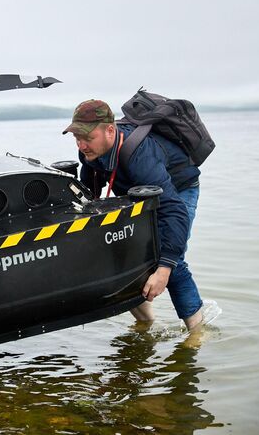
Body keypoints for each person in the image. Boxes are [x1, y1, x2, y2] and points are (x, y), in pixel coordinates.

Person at [63, 99, 219, 330]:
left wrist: (164, 268)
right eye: (77, 138)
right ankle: (146, 322)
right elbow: (89, 195)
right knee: (125, 254)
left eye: (87, 137)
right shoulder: (90, 154)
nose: (82, 145)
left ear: (110, 130)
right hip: (138, 192)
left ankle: (197, 331)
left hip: (178, 190)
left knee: (169, 260)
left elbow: (173, 210)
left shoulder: (140, 156)